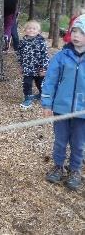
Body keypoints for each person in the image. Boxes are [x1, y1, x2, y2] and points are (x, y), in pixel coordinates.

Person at [43, 15, 85, 190]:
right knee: (60, 140)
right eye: (74, 31)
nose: (76, 35)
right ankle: (58, 166)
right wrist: (47, 103)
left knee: (78, 142)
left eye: (81, 32)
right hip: (61, 108)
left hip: (82, 113)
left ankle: (75, 170)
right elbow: (50, 80)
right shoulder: (62, 56)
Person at [16, 20, 49, 109]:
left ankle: (43, 95)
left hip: (38, 68)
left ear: (38, 31)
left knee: (40, 83)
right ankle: (28, 98)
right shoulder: (23, 42)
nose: (31, 30)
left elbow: (45, 56)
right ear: (25, 30)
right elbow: (19, 54)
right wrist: (20, 66)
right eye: (29, 28)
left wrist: (44, 68)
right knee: (27, 83)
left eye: (34, 29)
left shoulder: (41, 42)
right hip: (27, 68)